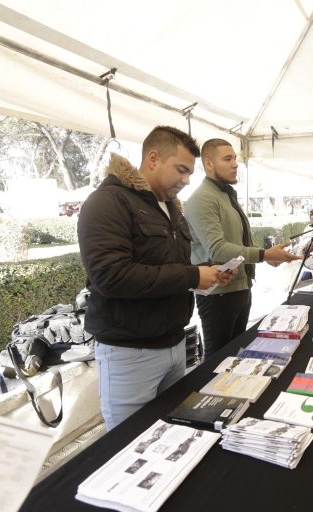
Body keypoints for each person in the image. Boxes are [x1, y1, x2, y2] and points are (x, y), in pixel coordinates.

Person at [77, 125, 233, 430]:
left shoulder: (172, 208)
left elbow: (166, 267)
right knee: (128, 445)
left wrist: (205, 275)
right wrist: (191, 276)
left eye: (190, 172)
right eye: (181, 170)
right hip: (130, 354)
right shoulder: (107, 203)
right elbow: (111, 276)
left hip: (175, 346)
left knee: (169, 436)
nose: (187, 180)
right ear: (152, 159)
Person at [184, 139, 301, 359]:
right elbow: (217, 249)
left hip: (239, 289)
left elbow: (236, 241)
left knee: (235, 357)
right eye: (227, 159)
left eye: (235, 158)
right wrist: (264, 254)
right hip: (217, 295)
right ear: (208, 163)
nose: (235, 164)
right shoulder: (201, 199)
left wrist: (265, 257)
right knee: (217, 360)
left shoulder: (225, 195)